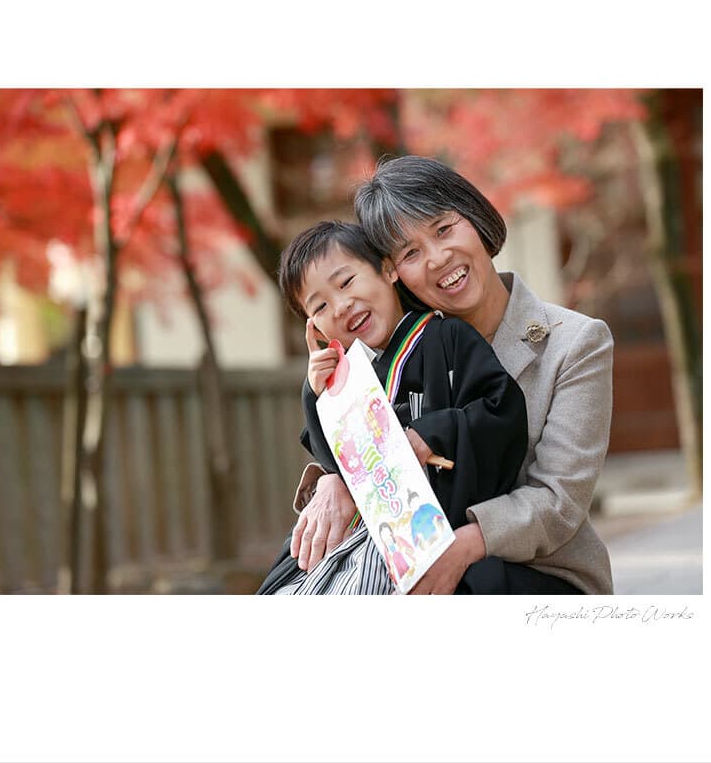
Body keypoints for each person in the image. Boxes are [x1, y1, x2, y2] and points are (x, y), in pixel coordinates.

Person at [285, 156, 615, 595]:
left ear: (475, 219)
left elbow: (558, 501)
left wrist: (463, 546)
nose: (439, 259)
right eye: (410, 253)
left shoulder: (575, 343)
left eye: (444, 229)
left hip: (535, 573)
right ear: (392, 270)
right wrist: (337, 479)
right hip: (407, 558)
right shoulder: (387, 352)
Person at [257, 220, 528, 595]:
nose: (341, 305)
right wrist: (319, 396)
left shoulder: (446, 336)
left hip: (427, 533)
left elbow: (500, 409)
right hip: (360, 537)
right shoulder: (346, 377)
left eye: (346, 282)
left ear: (388, 269)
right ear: (314, 327)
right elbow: (337, 469)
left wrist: (430, 436)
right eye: (320, 306)